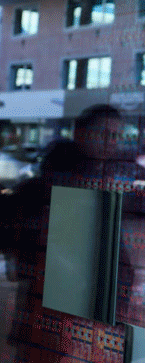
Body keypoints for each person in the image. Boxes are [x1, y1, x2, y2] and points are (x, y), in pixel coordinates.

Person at [2, 104, 132, 362]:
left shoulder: (98, 182)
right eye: (104, 134)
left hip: (70, 315)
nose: (111, 143)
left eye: (116, 136)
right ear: (80, 133)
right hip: (51, 313)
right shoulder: (58, 183)